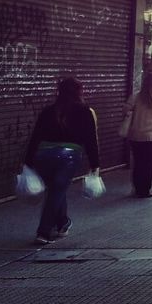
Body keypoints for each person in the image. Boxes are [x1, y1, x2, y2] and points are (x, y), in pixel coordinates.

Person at [25, 78, 100, 244]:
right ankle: (44, 231)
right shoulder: (85, 111)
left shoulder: (48, 111)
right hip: (68, 156)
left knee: (55, 189)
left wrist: (28, 161)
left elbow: (35, 136)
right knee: (57, 190)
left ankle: (62, 223)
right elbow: (90, 140)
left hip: (44, 155)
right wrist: (95, 164)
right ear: (80, 92)